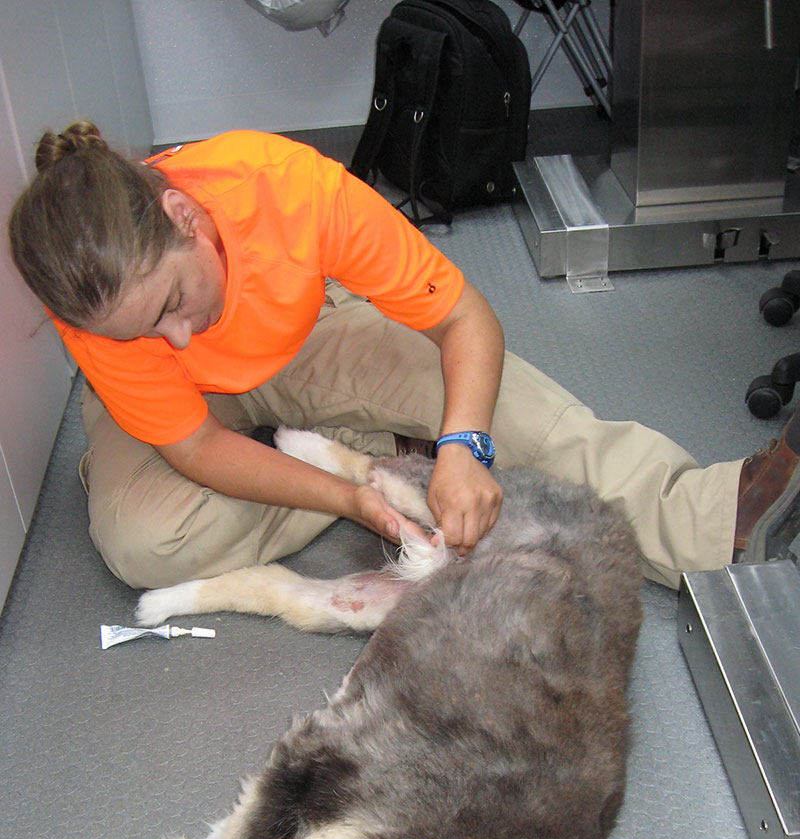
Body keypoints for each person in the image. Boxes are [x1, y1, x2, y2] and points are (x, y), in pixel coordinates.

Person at [8, 121, 800, 592]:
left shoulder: (289, 187)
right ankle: (374, 459)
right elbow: (198, 448)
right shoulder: (98, 307)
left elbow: (464, 319)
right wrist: (349, 500)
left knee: (490, 404)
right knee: (142, 543)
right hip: (189, 412)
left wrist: (464, 443)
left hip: (305, 333)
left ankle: (708, 514)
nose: (176, 338)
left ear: (181, 214)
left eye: (174, 303)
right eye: (144, 331)